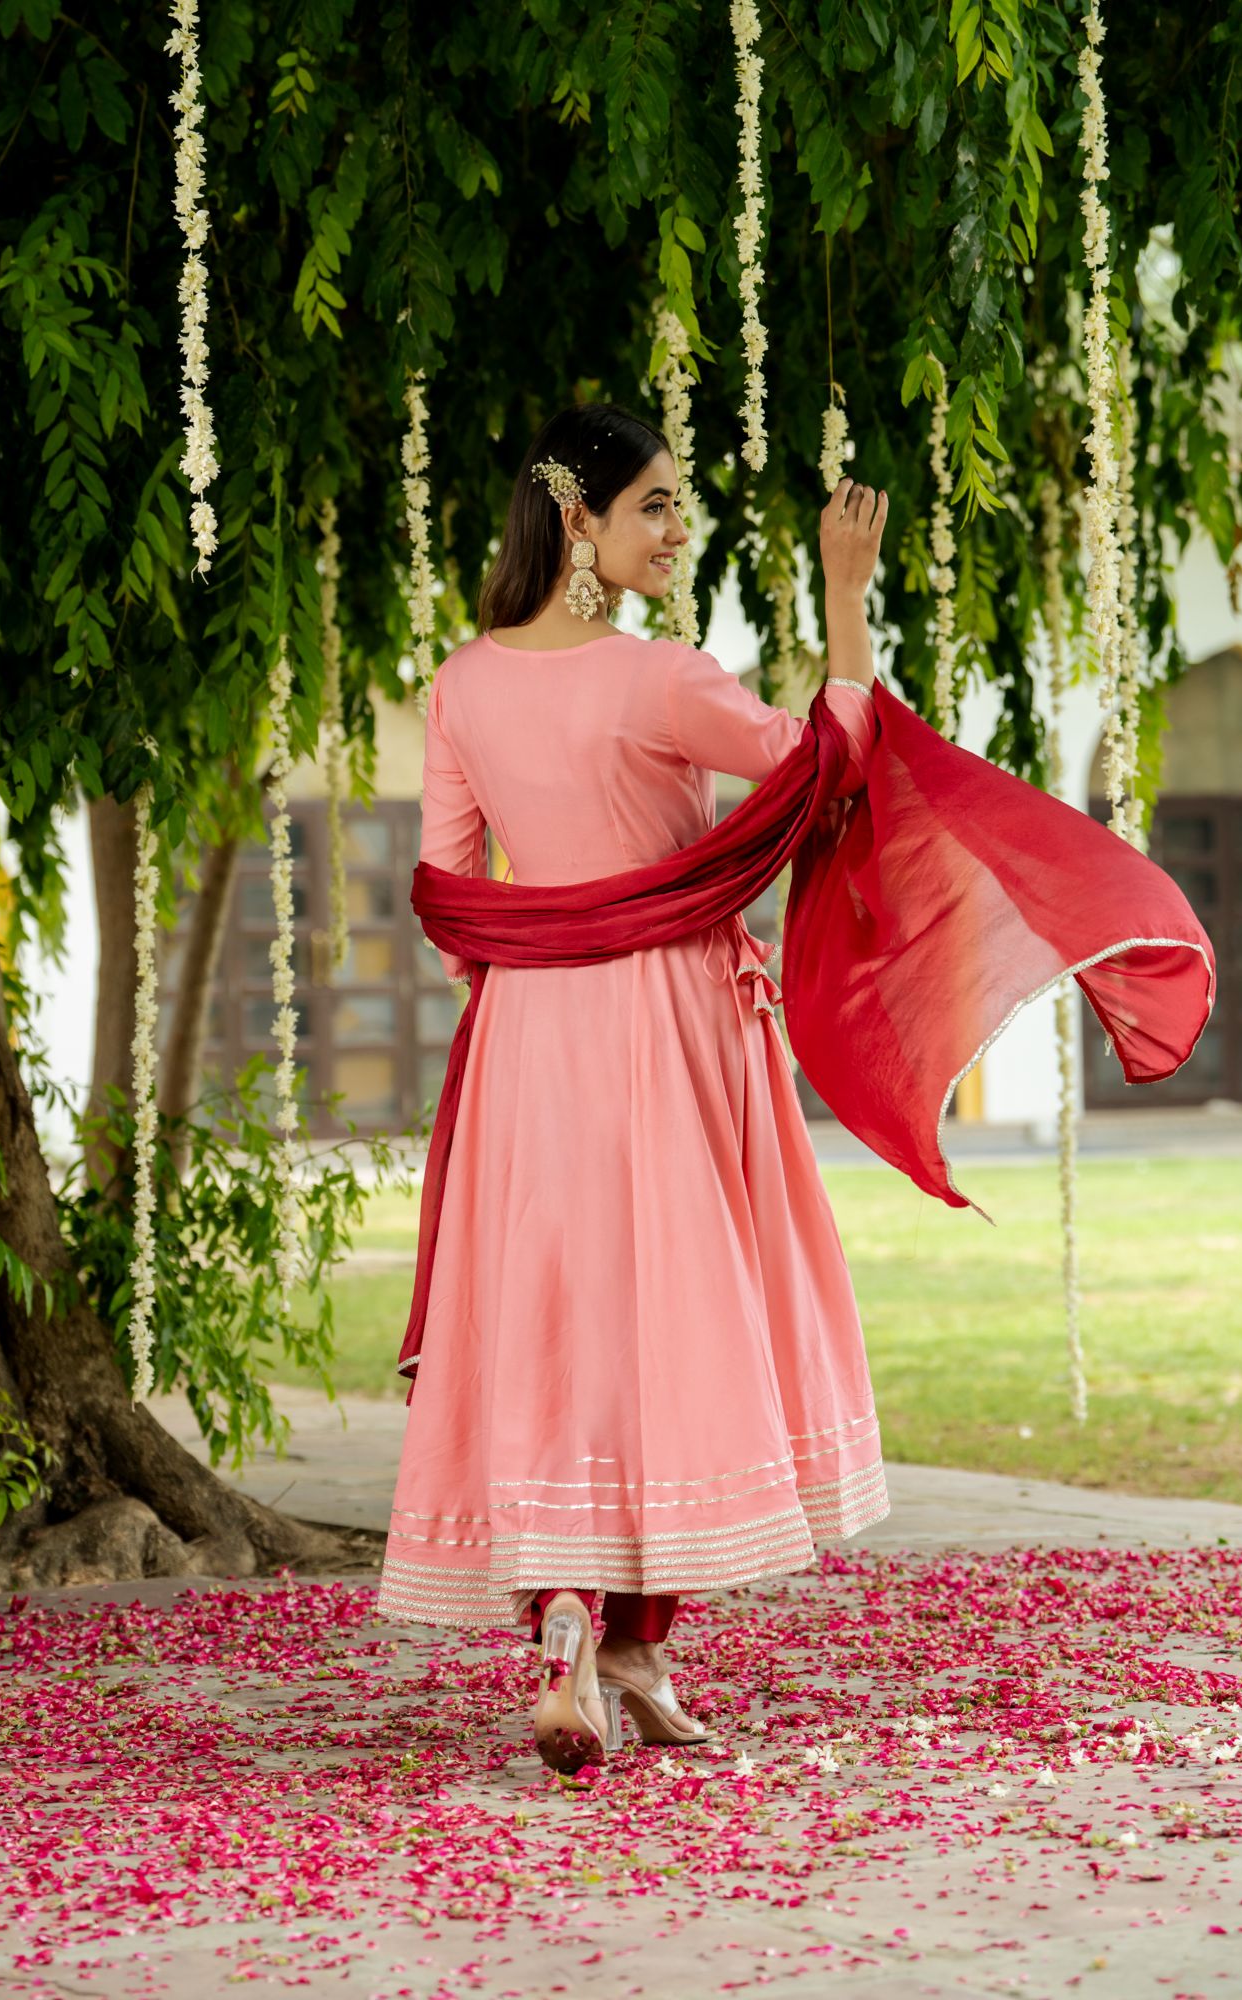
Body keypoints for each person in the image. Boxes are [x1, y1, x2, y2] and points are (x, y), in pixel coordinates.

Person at [377, 401, 893, 1772]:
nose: (677, 528)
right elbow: (826, 769)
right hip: (662, 1022)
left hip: (525, 1036)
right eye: (656, 505)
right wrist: (847, 601)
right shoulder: (658, 676)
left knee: (555, 1314)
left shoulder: (459, 684)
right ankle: (626, 1642)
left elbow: (447, 893)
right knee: (663, 1313)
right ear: (579, 520)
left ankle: (585, 1632)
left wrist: (536, 951)